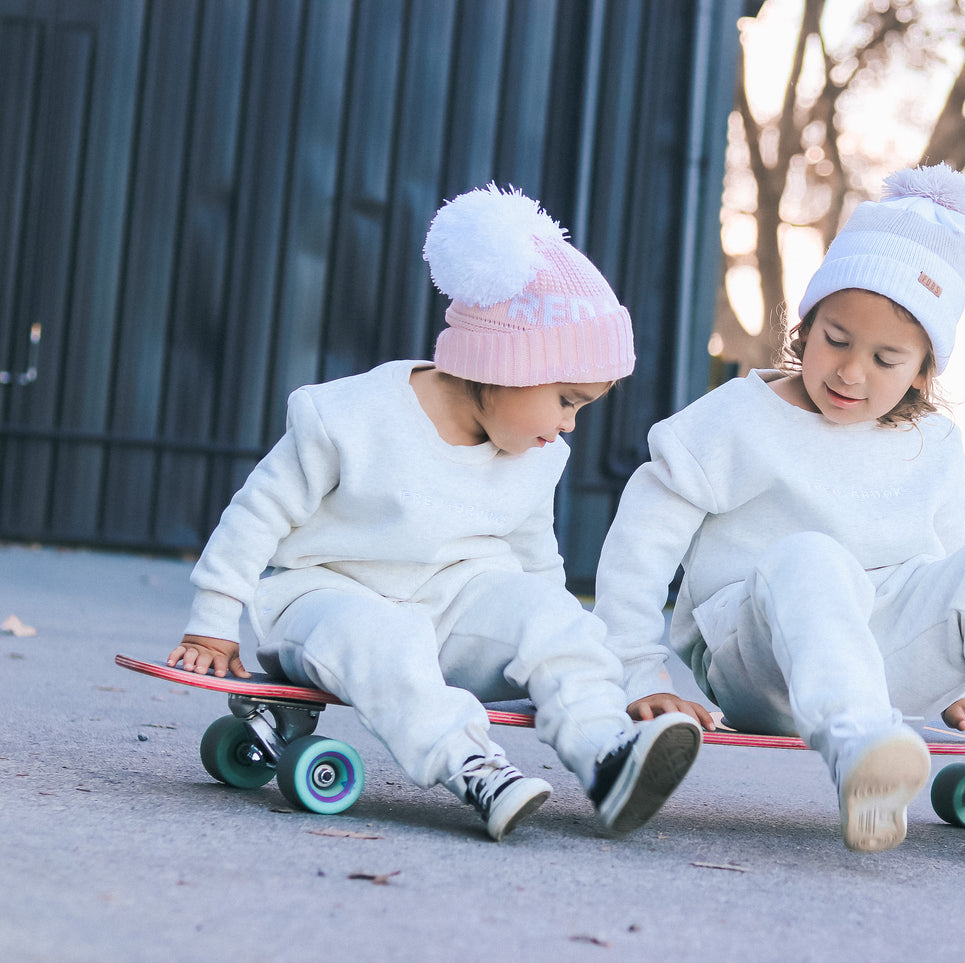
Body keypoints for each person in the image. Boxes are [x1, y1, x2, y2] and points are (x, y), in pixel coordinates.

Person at [592, 163, 965, 858]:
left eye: (885, 358)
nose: (850, 372)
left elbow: (942, 562)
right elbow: (643, 538)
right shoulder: (738, 419)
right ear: (805, 326)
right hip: (760, 654)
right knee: (811, 555)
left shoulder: (932, 441)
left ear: (923, 370)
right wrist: (637, 668)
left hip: (879, 658)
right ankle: (862, 752)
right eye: (835, 339)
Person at [168, 185, 702, 841]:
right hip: (325, 596)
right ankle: (473, 766)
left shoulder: (536, 454)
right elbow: (256, 514)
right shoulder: (349, 418)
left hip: (455, 604)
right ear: (506, 364)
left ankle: (605, 753)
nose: (567, 423)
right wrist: (212, 622)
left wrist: (563, 653)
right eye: (567, 398)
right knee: (384, 640)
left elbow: (537, 565)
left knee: (553, 613)